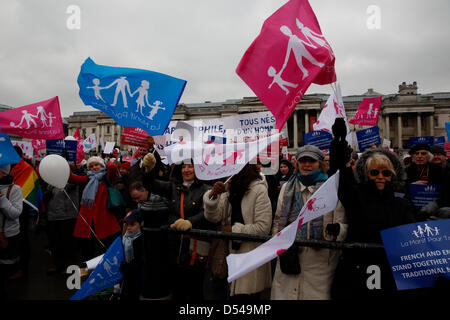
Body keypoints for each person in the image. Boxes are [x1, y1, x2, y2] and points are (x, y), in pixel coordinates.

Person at [329, 118, 416, 299]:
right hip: (359, 266)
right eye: (374, 172)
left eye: (386, 173)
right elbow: (338, 174)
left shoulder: (402, 203)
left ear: (393, 176)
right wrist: (339, 141)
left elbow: (410, 236)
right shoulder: (356, 196)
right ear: (366, 174)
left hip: (390, 267)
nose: (380, 177)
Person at [270, 145, 347, 300]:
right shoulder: (287, 188)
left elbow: (343, 224)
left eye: (311, 161)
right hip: (288, 258)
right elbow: (278, 219)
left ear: (320, 163)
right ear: (297, 164)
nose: (306, 165)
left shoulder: (332, 189)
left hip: (320, 263)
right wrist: (278, 244)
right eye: (302, 161)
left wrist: (337, 230)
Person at [142, 154, 215, 300]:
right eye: (183, 167)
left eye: (190, 167)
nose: (186, 170)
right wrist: (149, 169)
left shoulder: (206, 189)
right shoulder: (173, 187)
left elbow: (206, 212)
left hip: (195, 246)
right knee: (177, 287)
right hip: (174, 246)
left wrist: (190, 222)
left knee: (195, 288)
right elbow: (150, 184)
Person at [204, 163, 273, 300]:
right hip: (226, 256)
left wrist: (233, 230)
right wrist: (213, 196)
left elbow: (263, 227)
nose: (227, 172)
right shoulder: (228, 190)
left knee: (245, 299)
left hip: (248, 257)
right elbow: (214, 217)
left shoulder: (259, 190)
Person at [68, 156, 122, 261]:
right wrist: (66, 165)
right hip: (88, 216)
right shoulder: (87, 178)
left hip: (104, 216)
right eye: (91, 166)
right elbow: (72, 178)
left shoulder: (107, 178)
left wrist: (108, 161)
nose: (94, 167)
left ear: (102, 166)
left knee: (105, 246)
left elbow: (113, 169)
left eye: (96, 165)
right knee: (88, 246)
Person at [128, 181, 172, 300]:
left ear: (145, 190)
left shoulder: (159, 200)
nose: (137, 201)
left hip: (161, 241)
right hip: (147, 242)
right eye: (134, 199)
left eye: (138, 197)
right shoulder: (141, 203)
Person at [44, 181, 79, 275]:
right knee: (55, 241)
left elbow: (76, 181)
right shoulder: (51, 182)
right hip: (53, 215)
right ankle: (58, 265)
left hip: (67, 216)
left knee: (68, 242)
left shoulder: (72, 180)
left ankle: (70, 266)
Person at [0, 164, 23, 298]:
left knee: (5, 269)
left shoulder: (15, 189)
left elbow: (15, 213)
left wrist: (1, 197)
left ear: (4, 172)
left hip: (8, 236)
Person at [119, 209, 143, 300]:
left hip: (136, 279)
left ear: (140, 224)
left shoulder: (140, 240)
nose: (128, 228)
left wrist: (127, 267)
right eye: (127, 224)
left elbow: (139, 262)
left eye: (132, 224)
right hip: (126, 276)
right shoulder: (125, 237)